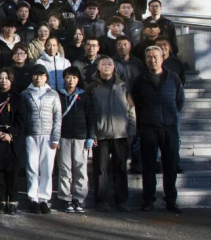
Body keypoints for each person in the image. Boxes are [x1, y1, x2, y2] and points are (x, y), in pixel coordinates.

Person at [132, 46, 185, 213]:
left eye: (155, 57)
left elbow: (180, 101)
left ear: (162, 59)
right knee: (148, 166)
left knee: (170, 166)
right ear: (145, 59)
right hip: (149, 128)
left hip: (169, 128)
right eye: (149, 57)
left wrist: (171, 117)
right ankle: (148, 199)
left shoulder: (173, 78)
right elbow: (135, 104)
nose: (152, 60)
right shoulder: (140, 80)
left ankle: (171, 199)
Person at [89, 56, 135, 212]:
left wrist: (131, 130)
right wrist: (92, 133)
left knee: (120, 168)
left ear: (114, 67)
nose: (107, 66)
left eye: (110, 64)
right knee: (100, 170)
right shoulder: (92, 87)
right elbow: (89, 112)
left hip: (121, 134)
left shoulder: (123, 86)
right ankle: (101, 201)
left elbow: (131, 110)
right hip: (100, 135)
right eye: (103, 64)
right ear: (98, 67)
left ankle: (121, 201)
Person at [21, 64, 61, 214]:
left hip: (48, 135)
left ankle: (44, 199)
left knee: (47, 168)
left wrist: (56, 138)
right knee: (32, 167)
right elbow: (23, 115)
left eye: (41, 75)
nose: (38, 78)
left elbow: (57, 117)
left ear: (46, 77)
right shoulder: (25, 93)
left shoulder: (53, 94)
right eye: (36, 75)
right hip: (31, 135)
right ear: (32, 77)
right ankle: (33, 198)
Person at [56, 66, 95, 213]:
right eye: (68, 77)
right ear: (64, 79)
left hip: (81, 137)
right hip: (64, 136)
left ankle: (79, 198)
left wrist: (91, 136)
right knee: (64, 169)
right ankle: (66, 198)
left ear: (78, 80)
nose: (71, 80)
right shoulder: (58, 95)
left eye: (74, 77)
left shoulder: (84, 96)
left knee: (80, 168)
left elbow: (91, 117)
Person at [0, 69, 25, 215]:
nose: (4, 81)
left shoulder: (17, 97)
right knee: (1, 172)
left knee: (13, 172)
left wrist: (11, 134)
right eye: (1, 78)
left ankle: (13, 202)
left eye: (6, 78)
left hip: (13, 139)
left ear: (11, 80)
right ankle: (2, 201)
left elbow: (21, 118)